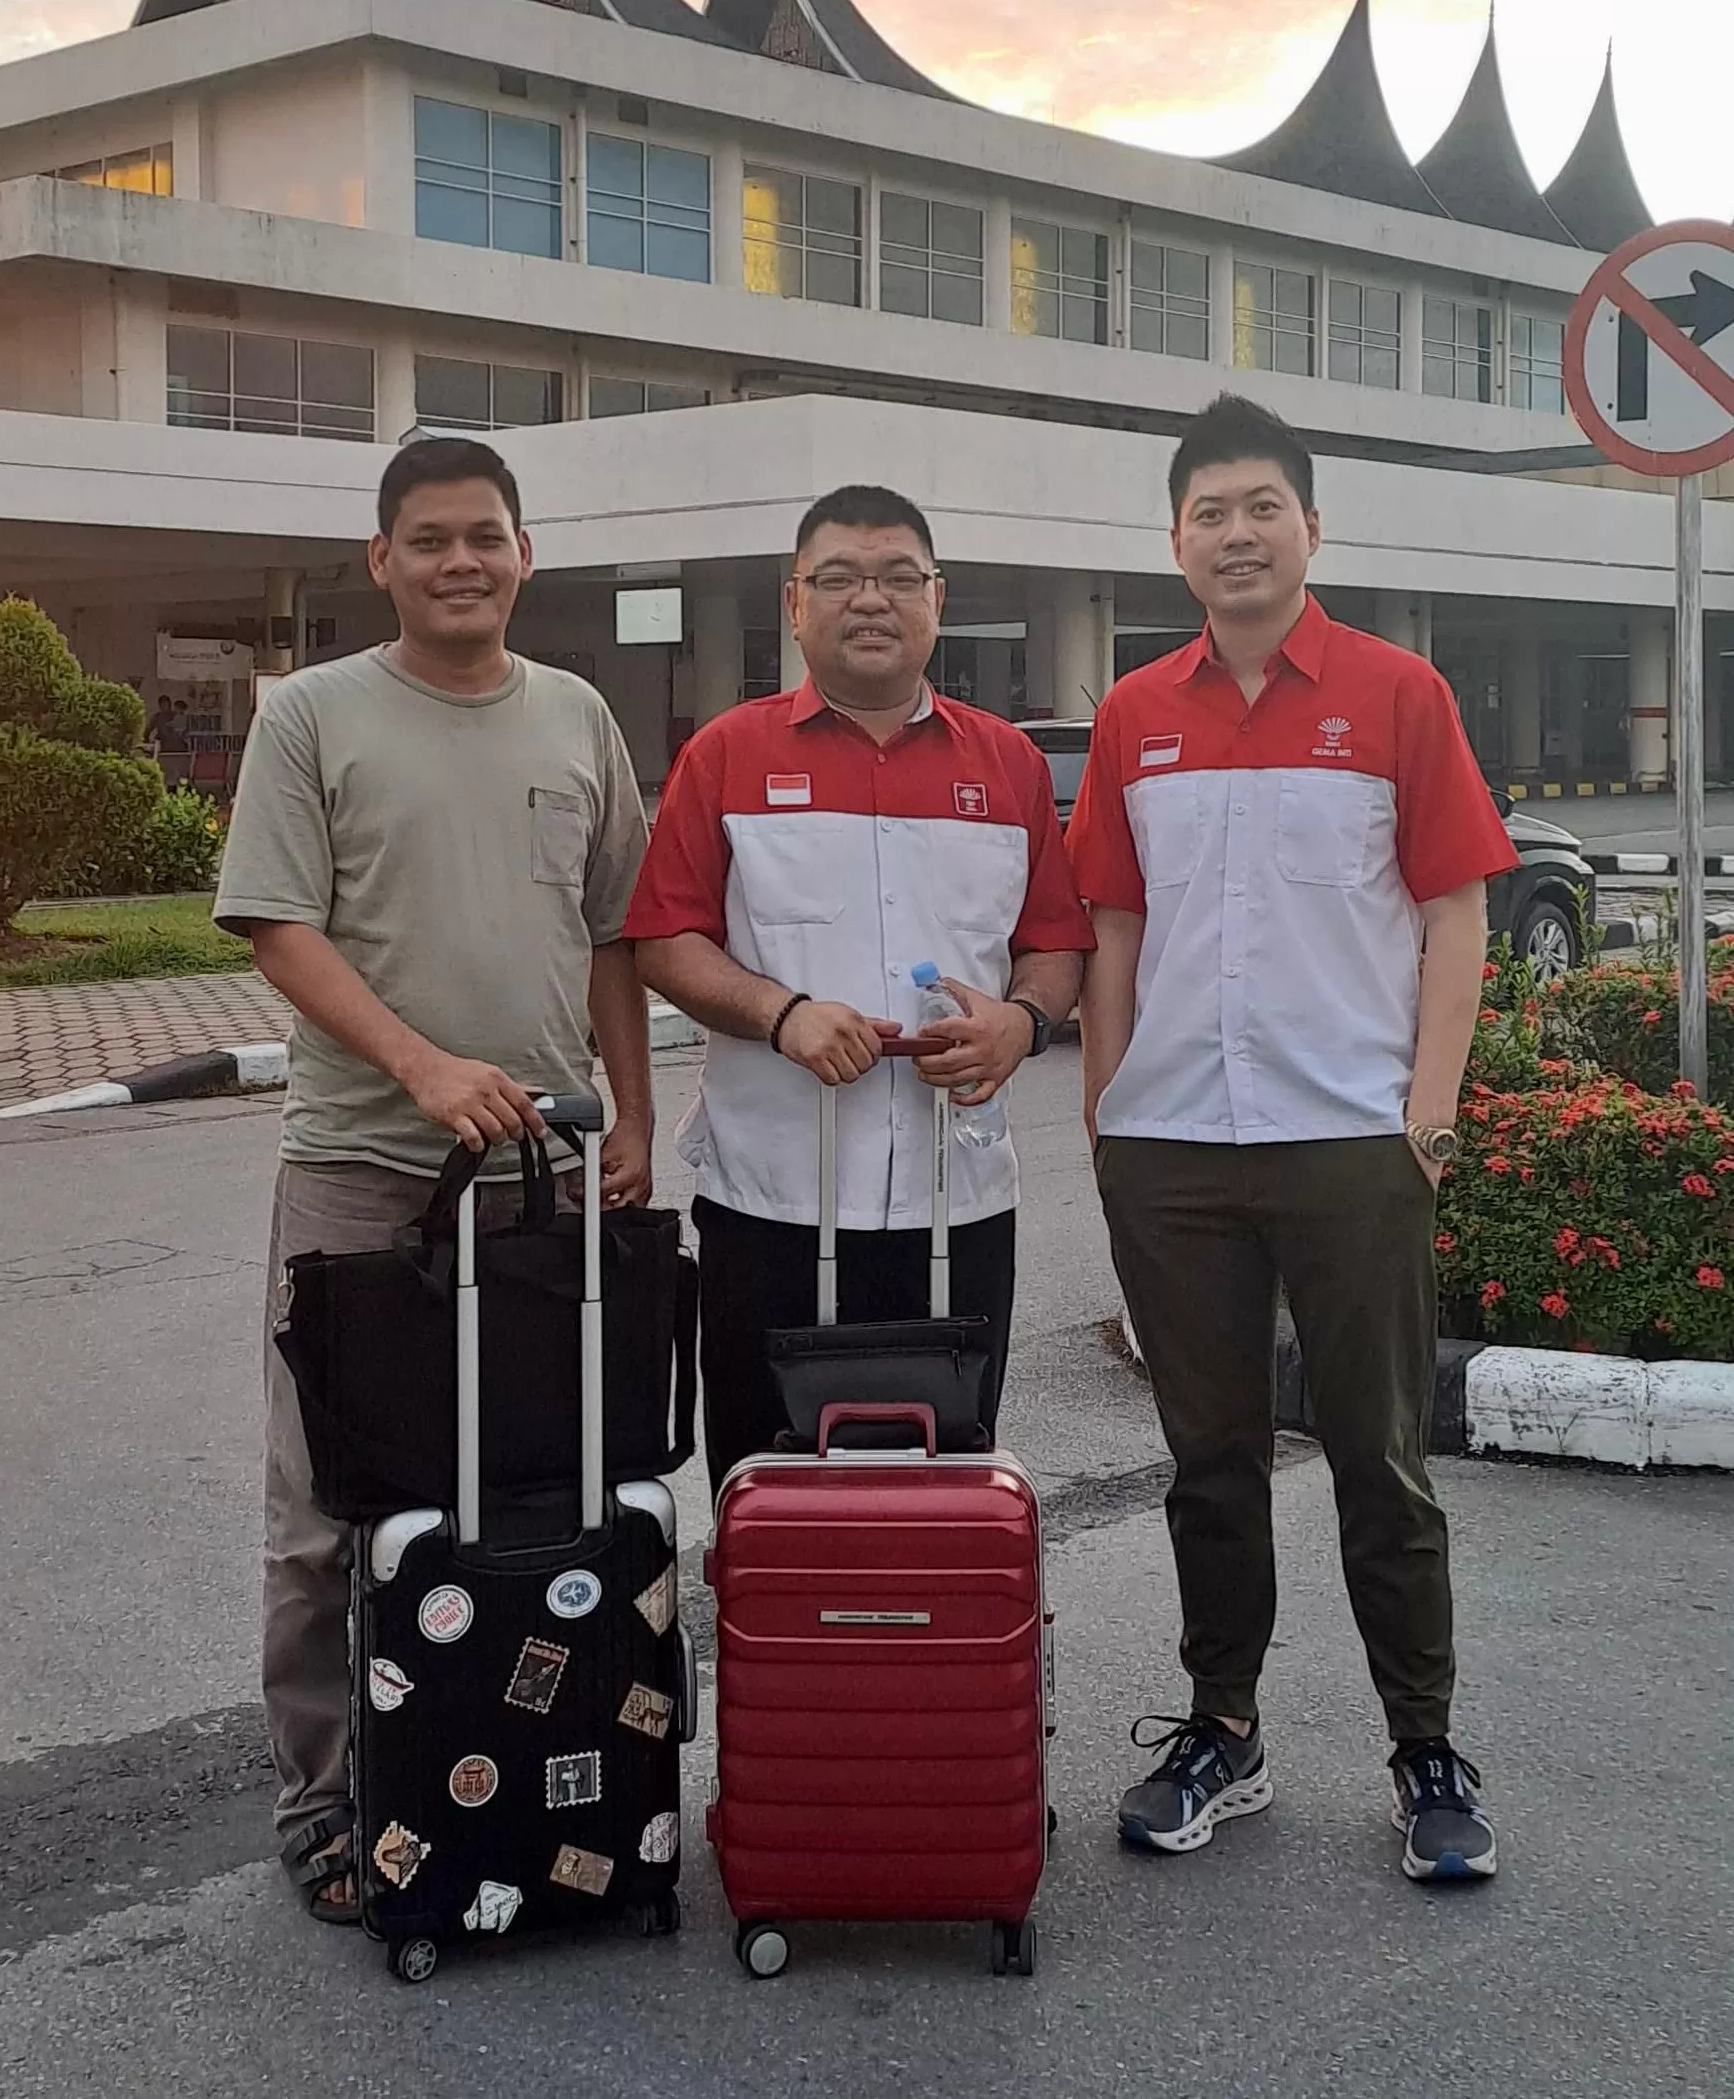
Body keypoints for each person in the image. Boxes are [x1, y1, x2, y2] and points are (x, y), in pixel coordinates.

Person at [1069, 394, 1516, 1884]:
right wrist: (1108, 1113)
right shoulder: (1135, 716)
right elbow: (1113, 924)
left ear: (1311, 527)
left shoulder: (1397, 694)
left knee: (1382, 1460)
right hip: (1173, 1145)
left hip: (1349, 1140)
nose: (1238, 533)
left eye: (1263, 506)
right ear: (1176, 543)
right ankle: (1223, 1729)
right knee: (1209, 1460)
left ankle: (1424, 1750)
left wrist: (1426, 1117)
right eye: (1210, 512)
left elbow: (1456, 913)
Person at [214, 434, 653, 1924]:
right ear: (381, 560)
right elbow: (277, 926)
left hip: (541, 1180)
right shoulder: (313, 715)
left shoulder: (578, 714)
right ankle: (326, 1801)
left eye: (486, 536)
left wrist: (633, 1115)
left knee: (536, 1489)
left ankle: (531, 1772)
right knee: (326, 1508)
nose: (461, 561)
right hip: (359, 1168)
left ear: (525, 553)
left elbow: (613, 932)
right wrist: (420, 1067)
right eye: (430, 539)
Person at [627, 483, 1091, 1493]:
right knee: (766, 1482)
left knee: (944, 1487)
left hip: (956, 1197)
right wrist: (780, 1015)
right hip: (772, 1200)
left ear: (938, 599)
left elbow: (1055, 945)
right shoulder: (727, 756)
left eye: (897, 578)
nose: (870, 600)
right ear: (794, 603)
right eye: (838, 578)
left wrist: (1021, 1022)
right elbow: (663, 939)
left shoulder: (1007, 764)